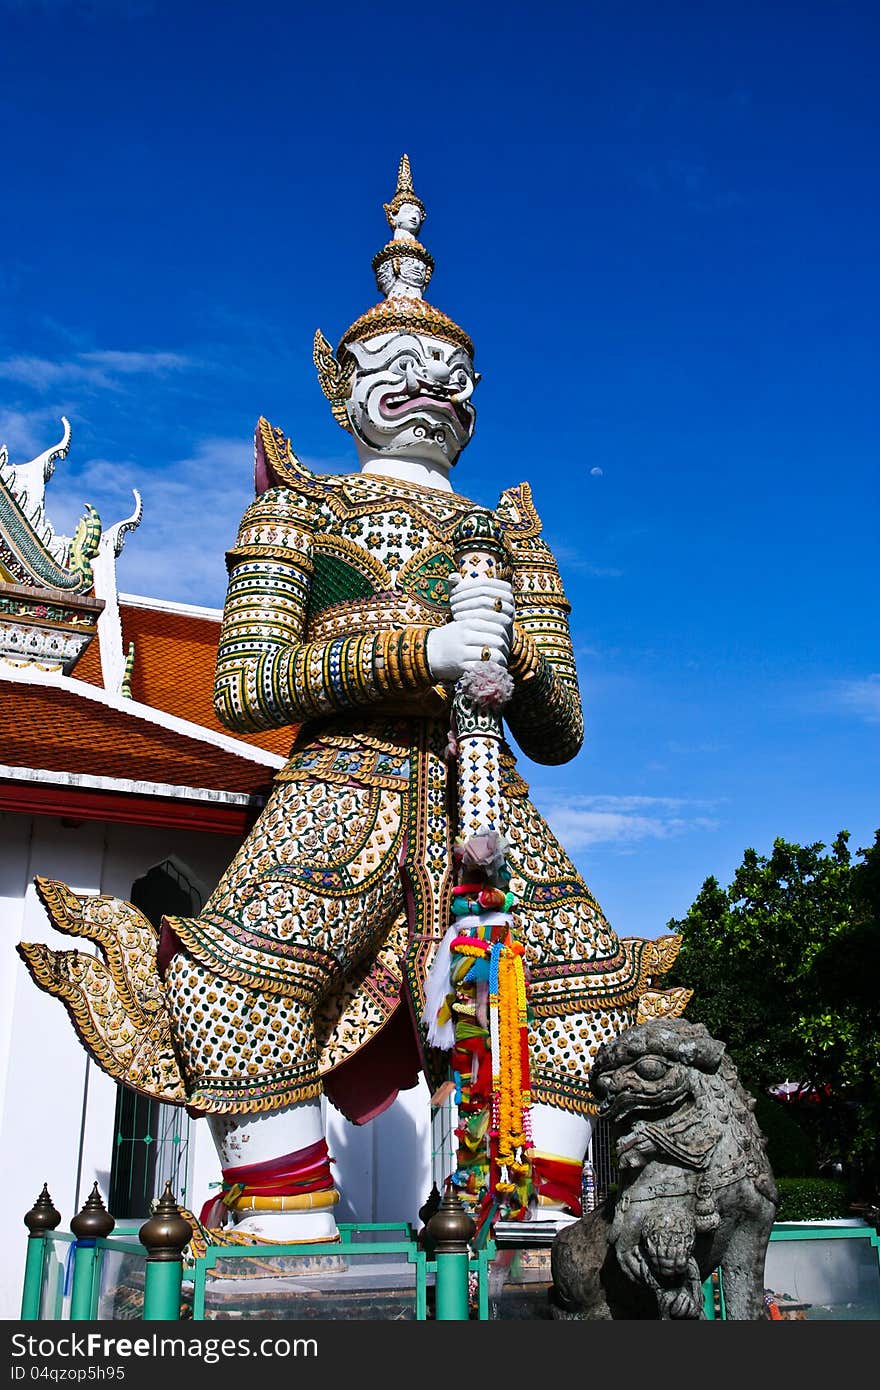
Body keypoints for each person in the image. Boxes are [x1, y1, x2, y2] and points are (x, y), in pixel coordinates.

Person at [159, 155, 684, 1244]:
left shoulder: (510, 532)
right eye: (400, 364)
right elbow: (245, 688)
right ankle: (284, 1208)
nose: (432, 389)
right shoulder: (298, 510)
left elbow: (565, 734)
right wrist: (421, 651)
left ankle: (533, 1216)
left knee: (586, 990)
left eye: (452, 373)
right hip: (340, 786)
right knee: (226, 991)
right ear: (342, 385)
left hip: (478, 798)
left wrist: (515, 667)